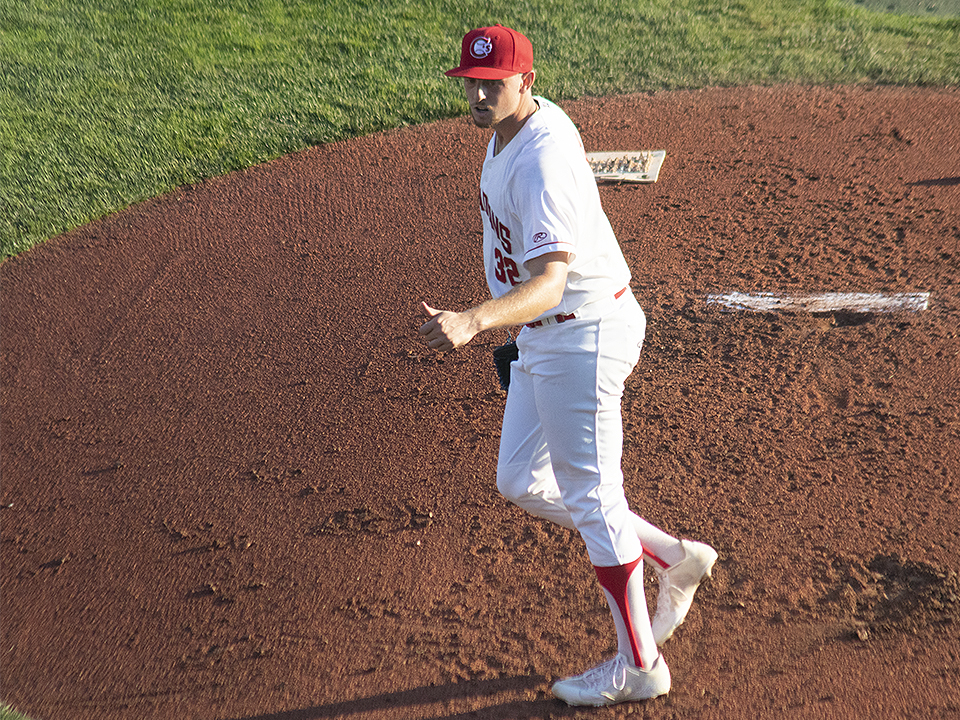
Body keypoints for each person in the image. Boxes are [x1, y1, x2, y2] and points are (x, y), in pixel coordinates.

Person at [418, 24, 718, 707]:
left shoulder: (543, 162)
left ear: (527, 80)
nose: (479, 95)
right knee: (520, 479)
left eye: (493, 84)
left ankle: (640, 665)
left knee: (592, 496)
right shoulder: (514, 127)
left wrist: (473, 319)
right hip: (545, 337)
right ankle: (674, 558)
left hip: (581, 336)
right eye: (471, 82)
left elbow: (551, 284)